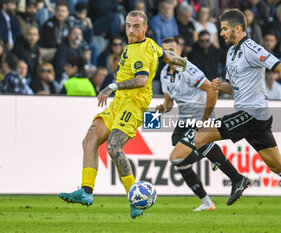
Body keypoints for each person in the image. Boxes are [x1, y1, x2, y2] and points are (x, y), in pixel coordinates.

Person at [170, 9, 281, 225]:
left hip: (253, 114)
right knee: (277, 165)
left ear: (238, 28)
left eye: (225, 29)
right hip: (252, 117)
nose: (222, 33)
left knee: (201, 136)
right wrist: (220, 85)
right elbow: (235, 88)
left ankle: (235, 178)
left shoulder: (251, 48)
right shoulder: (231, 53)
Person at [58, 10, 187, 219]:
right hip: (119, 104)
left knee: (113, 147)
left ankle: (134, 201)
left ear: (145, 28)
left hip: (133, 104)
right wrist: (182, 61)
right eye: (128, 25)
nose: (131, 30)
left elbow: (142, 80)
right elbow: (166, 55)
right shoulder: (150, 44)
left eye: (136, 26)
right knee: (89, 140)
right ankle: (86, 191)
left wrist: (112, 86)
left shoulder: (141, 52)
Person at [158, 37, 242, 211]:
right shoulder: (164, 73)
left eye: (172, 50)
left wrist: (205, 119)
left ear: (180, 51)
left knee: (177, 157)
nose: (169, 54)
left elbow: (212, 88)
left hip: (199, 118)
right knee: (179, 157)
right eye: (166, 51)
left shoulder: (187, 68)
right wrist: (163, 108)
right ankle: (206, 202)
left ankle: (218, 159)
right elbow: (169, 103)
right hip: (184, 120)